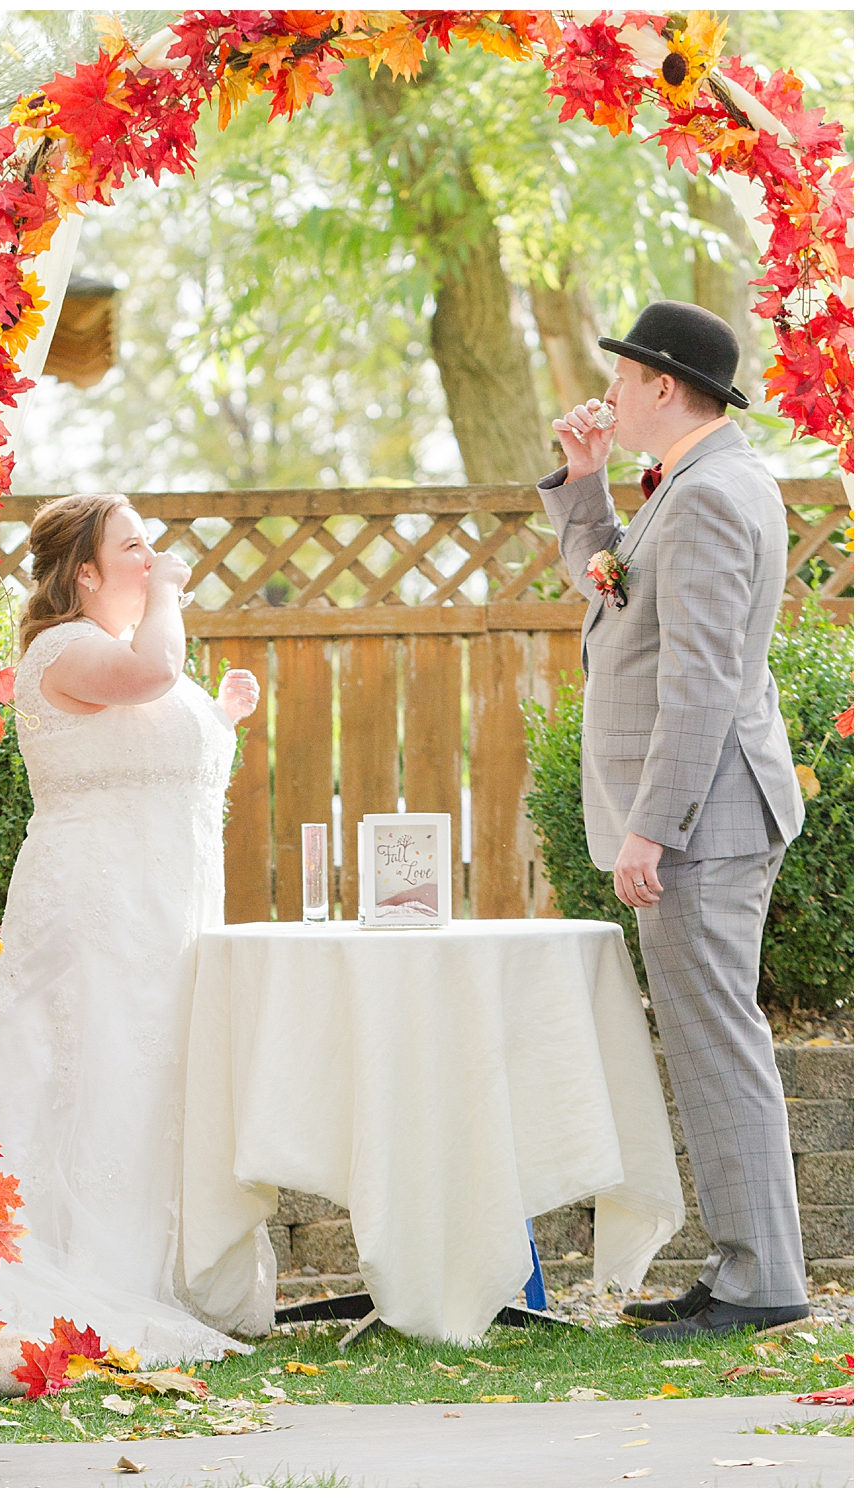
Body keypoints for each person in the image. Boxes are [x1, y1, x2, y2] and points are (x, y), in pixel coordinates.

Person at [542, 300, 810, 1342]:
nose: (605, 391)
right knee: (709, 1040)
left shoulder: (706, 497)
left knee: (715, 1041)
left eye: (619, 377)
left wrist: (652, 826)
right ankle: (746, 1265)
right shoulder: (695, 484)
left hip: (703, 819)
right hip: (710, 811)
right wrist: (581, 483)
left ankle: (759, 1279)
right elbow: (615, 594)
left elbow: (699, 679)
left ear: (661, 387)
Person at [0, 492, 261, 1364]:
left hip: (159, 910)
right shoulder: (64, 648)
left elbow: (150, 750)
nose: (153, 558)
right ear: (84, 574)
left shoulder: (117, 650)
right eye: (134, 547)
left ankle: (170, 1266)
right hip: (96, 911)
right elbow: (153, 680)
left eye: (154, 546)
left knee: (154, 1079)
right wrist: (170, 592)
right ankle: (90, 1270)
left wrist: (223, 720)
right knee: (96, 1073)